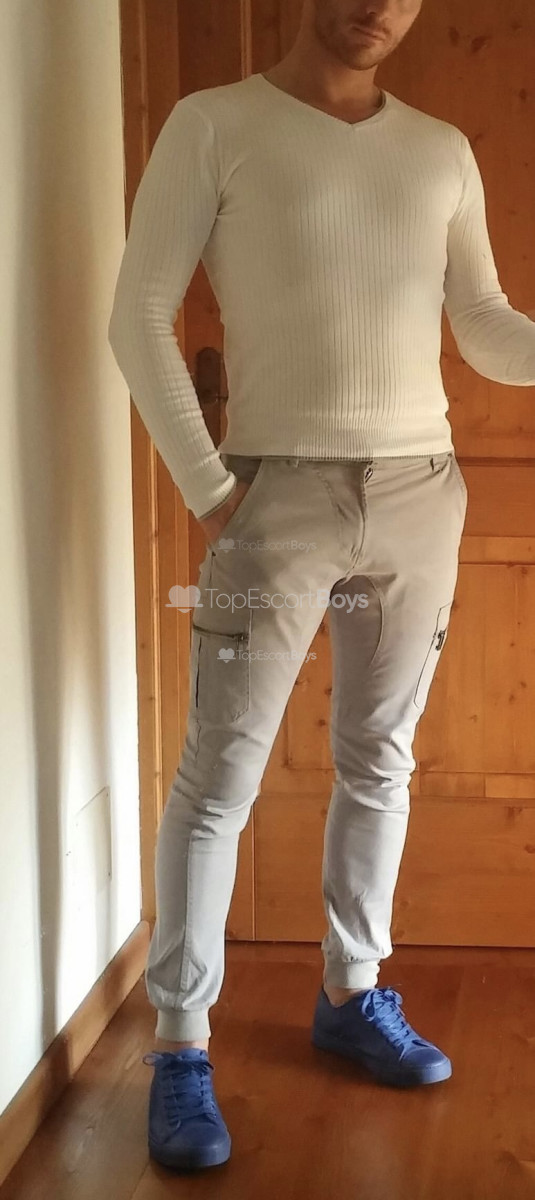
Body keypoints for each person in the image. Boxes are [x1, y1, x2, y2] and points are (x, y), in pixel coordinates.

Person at [108, 0, 535, 1173]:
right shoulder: (213, 123)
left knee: (379, 757)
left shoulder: (438, 150)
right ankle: (181, 1044)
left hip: (420, 494)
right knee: (220, 777)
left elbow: (482, 324)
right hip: (274, 497)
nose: (380, 5)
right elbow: (137, 313)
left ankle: (351, 991)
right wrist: (211, 491)